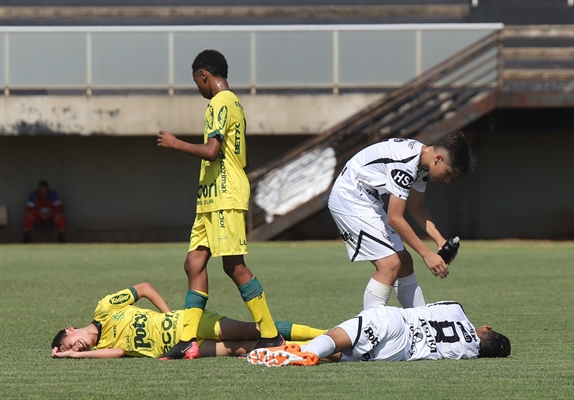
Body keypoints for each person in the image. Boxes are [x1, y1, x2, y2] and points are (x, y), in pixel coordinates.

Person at [156, 49, 282, 360]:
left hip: (224, 197)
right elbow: (244, 157)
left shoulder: (220, 102)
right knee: (194, 264)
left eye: (197, 82)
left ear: (204, 76)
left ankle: (271, 335)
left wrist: (175, 144)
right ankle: (187, 340)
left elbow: (212, 151)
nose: (198, 88)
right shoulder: (235, 104)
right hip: (211, 199)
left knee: (233, 265)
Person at [327, 132, 476, 310]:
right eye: (449, 173)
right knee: (390, 264)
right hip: (349, 199)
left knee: (404, 262)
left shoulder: (421, 163)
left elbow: (416, 208)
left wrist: (439, 240)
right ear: (438, 158)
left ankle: (421, 323)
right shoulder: (406, 164)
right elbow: (395, 218)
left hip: (367, 200)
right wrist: (427, 255)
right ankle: (369, 328)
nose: (447, 180)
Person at [51, 282, 326, 359]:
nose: (75, 348)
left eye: (68, 345)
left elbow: (144, 288)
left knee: (256, 329)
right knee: (245, 348)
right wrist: (73, 358)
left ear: (70, 330)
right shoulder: (99, 350)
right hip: (177, 350)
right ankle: (325, 352)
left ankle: (326, 333)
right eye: (71, 351)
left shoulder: (104, 309)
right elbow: (120, 351)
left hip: (186, 324)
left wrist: (168, 315)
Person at [246, 301, 511, 366]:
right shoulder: (467, 354)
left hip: (397, 323)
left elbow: (423, 305)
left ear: (485, 328)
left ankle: (305, 354)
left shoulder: (457, 309)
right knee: (343, 353)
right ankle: (291, 351)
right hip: (398, 354)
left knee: (338, 337)